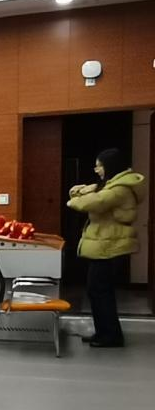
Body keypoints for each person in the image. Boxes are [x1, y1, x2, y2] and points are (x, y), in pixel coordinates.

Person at [67, 147, 147, 348]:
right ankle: (103, 332)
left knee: (100, 291)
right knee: (97, 291)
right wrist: (80, 192)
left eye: (99, 166)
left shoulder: (119, 189)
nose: (96, 170)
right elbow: (84, 193)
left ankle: (111, 336)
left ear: (110, 166)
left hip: (110, 246)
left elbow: (93, 203)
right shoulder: (111, 185)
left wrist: (75, 199)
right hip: (106, 245)